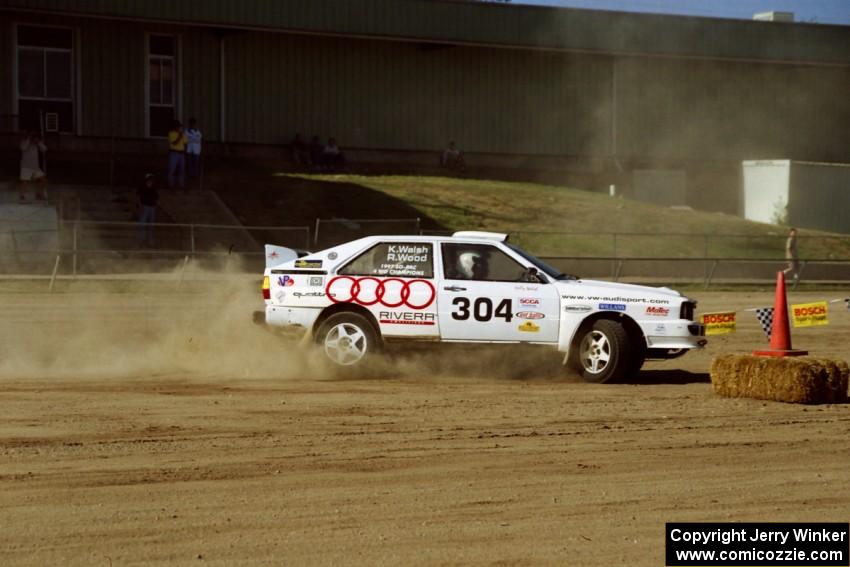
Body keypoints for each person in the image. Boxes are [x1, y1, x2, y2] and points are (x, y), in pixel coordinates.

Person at [19, 131, 48, 202]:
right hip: (26, 166)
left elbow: (44, 149)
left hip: (35, 167)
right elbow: (23, 148)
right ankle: (22, 195)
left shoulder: (36, 144)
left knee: (43, 180)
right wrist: (29, 139)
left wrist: (38, 142)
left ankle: (38, 194)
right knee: (24, 182)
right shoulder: (24, 142)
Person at [136, 173, 159, 247]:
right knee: (142, 225)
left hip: (152, 207)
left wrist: (155, 205)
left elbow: (156, 197)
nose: (150, 181)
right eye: (149, 179)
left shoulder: (153, 188)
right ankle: (140, 241)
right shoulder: (142, 187)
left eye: (151, 180)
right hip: (144, 207)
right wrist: (140, 206)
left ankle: (150, 242)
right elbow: (138, 197)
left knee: (151, 226)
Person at [167, 120, 188, 189]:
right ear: (175, 127)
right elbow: (174, 143)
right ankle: (171, 185)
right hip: (174, 153)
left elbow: (185, 143)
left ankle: (181, 185)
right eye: (178, 127)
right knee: (172, 169)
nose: (179, 128)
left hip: (181, 154)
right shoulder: (171, 133)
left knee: (182, 170)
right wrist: (179, 136)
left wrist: (185, 151)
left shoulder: (183, 134)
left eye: (180, 127)